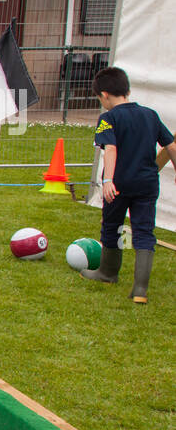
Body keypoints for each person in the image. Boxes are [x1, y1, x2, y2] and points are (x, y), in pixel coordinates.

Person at [80, 66, 176, 304]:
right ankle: (140, 290)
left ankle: (107, 273)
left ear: (103, 95)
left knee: (111, 226)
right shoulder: (150, 115)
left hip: (120, 184)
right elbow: (171, 145)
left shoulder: (107, 119)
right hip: (147, 184)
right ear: (127, 90)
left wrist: (108, 180)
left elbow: (110, 149)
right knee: (144, 231)